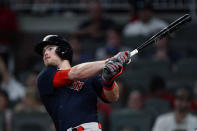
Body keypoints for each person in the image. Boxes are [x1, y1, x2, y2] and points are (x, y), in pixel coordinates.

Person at [34, 35, 130, 131]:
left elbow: (113, 97)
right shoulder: (45, 76)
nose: (45, 53)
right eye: (43, 52)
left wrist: (108, 81)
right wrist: (110, 61)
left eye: (50, 49)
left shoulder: (88, 74)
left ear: (63, 50)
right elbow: (75, 73)